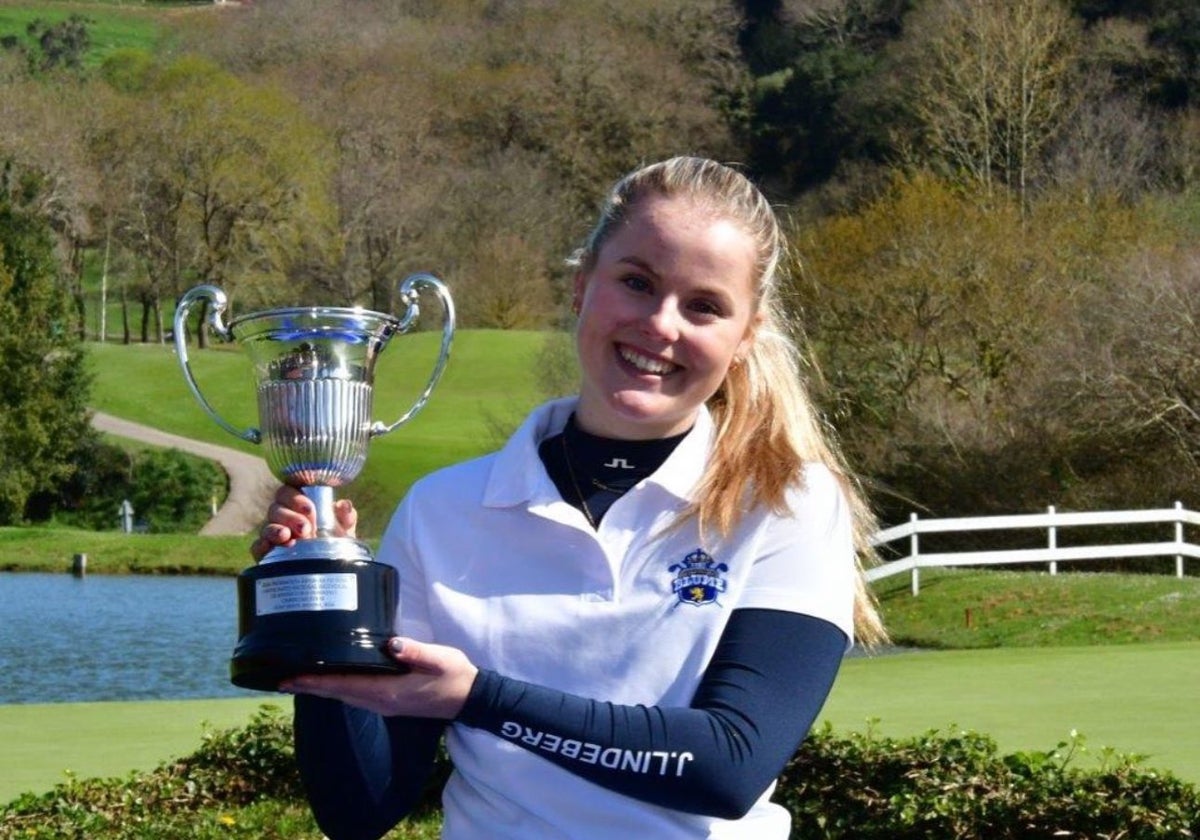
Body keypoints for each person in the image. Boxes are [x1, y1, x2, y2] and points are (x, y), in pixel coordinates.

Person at [252, 156, 887, 840]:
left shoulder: (787, 501)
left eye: (704, 305)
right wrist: (316, 619)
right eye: (637, 283)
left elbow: (729, 768)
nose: (662, 325)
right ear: (582, 286)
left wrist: (479, 697)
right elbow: (360, 809)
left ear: (745, 337)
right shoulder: (443, 510)